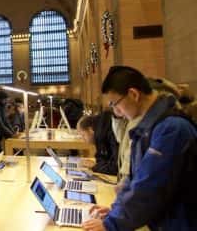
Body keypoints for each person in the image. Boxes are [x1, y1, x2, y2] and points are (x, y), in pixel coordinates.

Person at [82, 66, 197, 231]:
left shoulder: (171, 128)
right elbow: (135, 178)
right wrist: (116, 211)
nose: (118, 113)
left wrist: (111, 224)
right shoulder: (147, 127)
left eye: (116, 104)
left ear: (133, 94)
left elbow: (148, 188)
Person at [76, 111, 119, 175]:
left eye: (83, 135)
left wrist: (94, 166)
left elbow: (115, 168)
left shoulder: (106, 133)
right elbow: (101, 158)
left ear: (90, 130)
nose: (83, 140)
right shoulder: (100, 134)